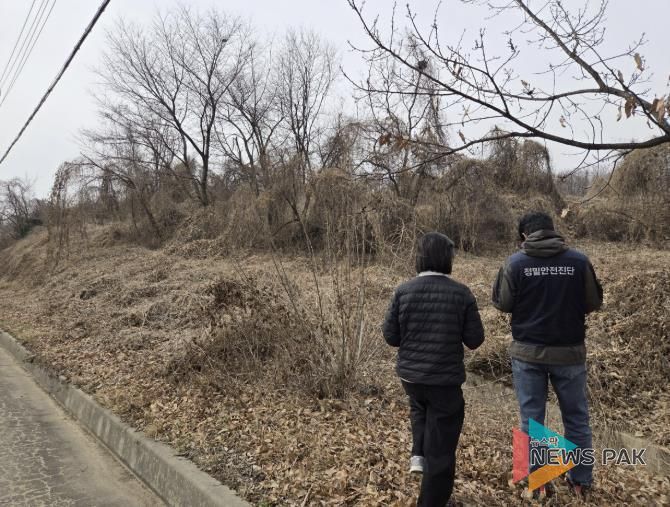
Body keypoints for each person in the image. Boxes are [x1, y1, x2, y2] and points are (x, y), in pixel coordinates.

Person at [492, 212, 603, 498]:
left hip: (527, 354)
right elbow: (593, 302)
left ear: (524, 236)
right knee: (576, 417)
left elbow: (502, 303)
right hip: (570, 353)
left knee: (532, 420)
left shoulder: (515, 264)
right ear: (553, 231)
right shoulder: (579, 261)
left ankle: (537, 482)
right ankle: (581, 482)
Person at [383, 232, 485, 506]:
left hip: (411, 378)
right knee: (442, 446)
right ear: (447, 259)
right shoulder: (462, 293)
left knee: (420, 408)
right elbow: (475, 340)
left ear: (420, 258)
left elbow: (391, 337)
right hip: (445, 382)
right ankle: (432, 501)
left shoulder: (403, 291)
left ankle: (418, 453)